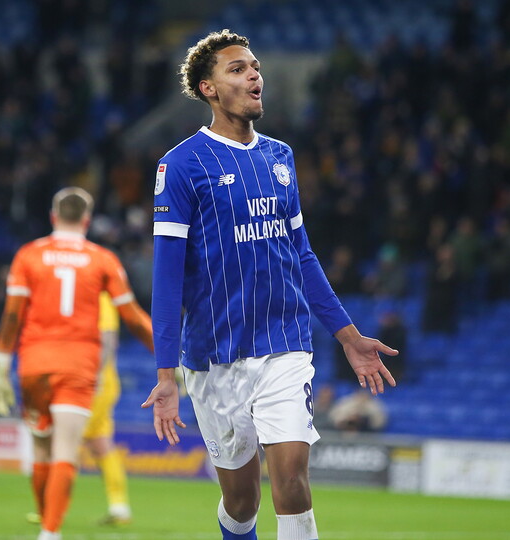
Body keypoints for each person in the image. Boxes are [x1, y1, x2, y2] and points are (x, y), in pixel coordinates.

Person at [141, 30, 397, 540]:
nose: (254, 74)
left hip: (284, 346)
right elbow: (167, 276)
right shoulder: (182, 165)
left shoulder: (280, 157)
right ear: (208, 88)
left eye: (255, 66)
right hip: (212, 357)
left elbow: (300, 254)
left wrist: (349, 337)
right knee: (241, 503)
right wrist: (166, 375)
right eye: (237, 69)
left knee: (293, 483)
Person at [0, 187, 153, 540]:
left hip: (33, 363)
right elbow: (134, 318)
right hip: (78, 365)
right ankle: (50, 532)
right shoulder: (103, 259)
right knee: (65, 451)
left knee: (41, 447)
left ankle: (48, 524)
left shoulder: (29, 255)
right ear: (87, 221)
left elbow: (11, 318)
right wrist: (171, 359)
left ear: (53, 217)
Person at [26, 293, 133, 527]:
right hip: (93, 381)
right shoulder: (81, 295)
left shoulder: (100, 299)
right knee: (99, 443)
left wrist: (92, 377)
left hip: (91, 383)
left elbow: (107, 341)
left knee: (62, 442)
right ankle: (119, 507)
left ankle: (51, 510)